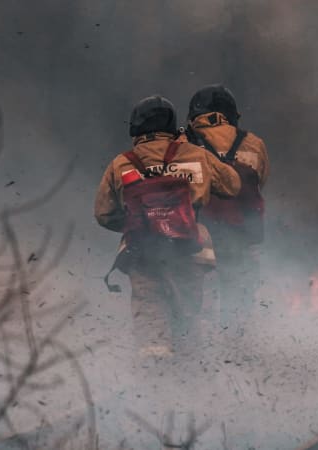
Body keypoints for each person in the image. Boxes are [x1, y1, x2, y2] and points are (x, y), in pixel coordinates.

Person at [94, 95, 240, 358]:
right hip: (191, 248)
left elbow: (104, 214)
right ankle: (194, 373)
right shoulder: (196, 155)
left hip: (142, 250)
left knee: (150, 311)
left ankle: (156, 379)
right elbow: (232, 185)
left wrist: (141, 221)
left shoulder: (121, 163)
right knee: (191, 313)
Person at [185, 84, 269, 331]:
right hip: (241, 234)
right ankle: (237, 358)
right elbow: (260, 181)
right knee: (240, 301)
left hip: (197, 235)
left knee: (200, 303)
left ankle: (201, 359)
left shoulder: (182, 143)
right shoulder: (254, 144)